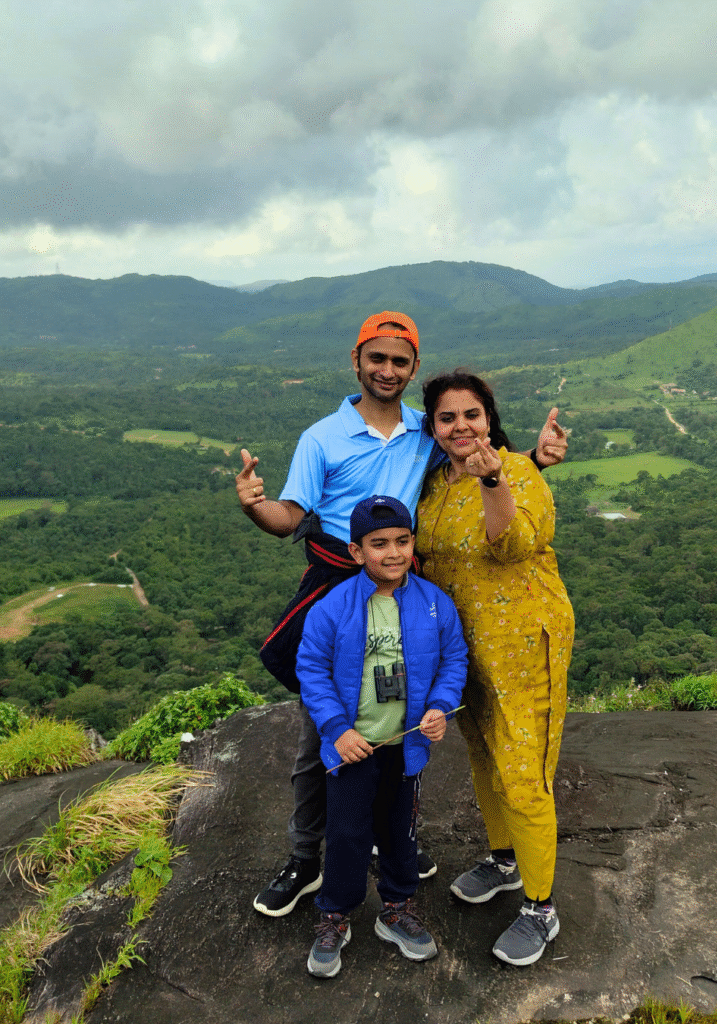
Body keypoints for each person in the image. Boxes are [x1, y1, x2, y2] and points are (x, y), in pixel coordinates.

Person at [236, 311, 567, 919]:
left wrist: (535, 462)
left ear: (413, 369)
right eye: (377, 359)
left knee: (403, 716)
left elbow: (480, 467)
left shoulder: (424, 430)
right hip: (342, 580)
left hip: (404, 583)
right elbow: (291, 514)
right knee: (326, 731)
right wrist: (257, 509)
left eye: (399, 361)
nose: (387, 370)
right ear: (357, 361)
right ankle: (306, 859)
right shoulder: (323, 437)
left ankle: (396, 845)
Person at [415, 369, 575, 968]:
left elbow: (512, 544)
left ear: (490, 418)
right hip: (465, 648)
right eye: (447, 418)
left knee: (523, 771)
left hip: (525, 643)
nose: (461, 427)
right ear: (433, 427)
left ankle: (541, 908)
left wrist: (494, 479)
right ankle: (505, 860)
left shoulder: (519, 473)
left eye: (471, 415)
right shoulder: (433, 484)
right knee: (484, 754)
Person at [297, 495, 467, 978]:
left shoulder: (435, 604)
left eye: (402, 541)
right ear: (356, 553)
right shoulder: (334, 607)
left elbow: (454, 659)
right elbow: (311, 668)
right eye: (378, 544)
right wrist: (336, 729)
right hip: (353, 748)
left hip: (405, 746)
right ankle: (335, 914)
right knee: (347, 834)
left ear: (413, 542)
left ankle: (396, 910)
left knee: (401, 833)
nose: (392, 553)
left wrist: (439, 707)